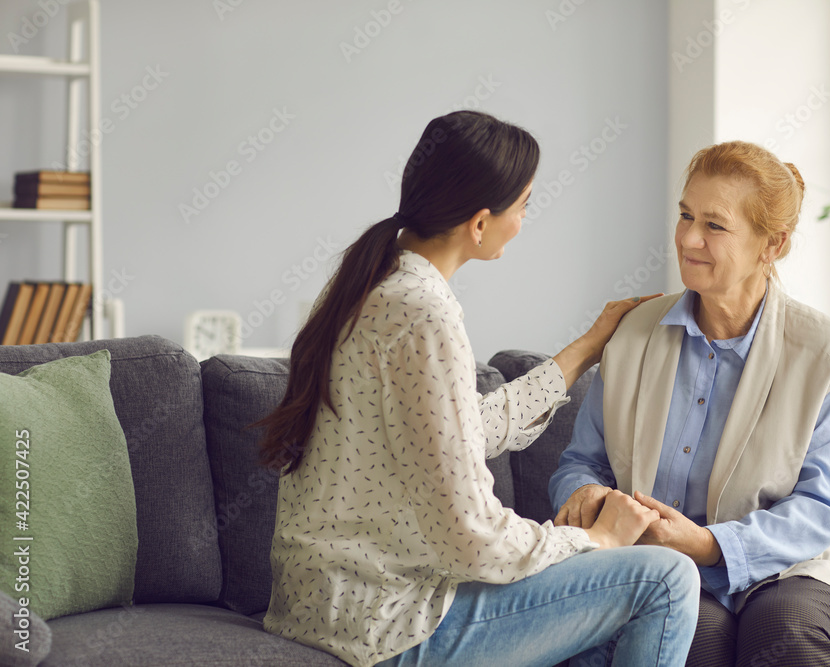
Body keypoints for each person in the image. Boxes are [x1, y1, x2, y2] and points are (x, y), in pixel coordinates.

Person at [254, 110, 700, 667]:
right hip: (388, 624)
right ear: (480, 222)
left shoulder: (371, 284)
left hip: (323, 608)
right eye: (524, 206)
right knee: (668, 578)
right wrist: (596, 540)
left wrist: (587, 347)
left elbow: (458, 432)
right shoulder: (425, 313)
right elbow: (471, 536)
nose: (523, 221)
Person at [550, 140, 830, 667]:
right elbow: (582, 462)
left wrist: (710, 545)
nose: (688, 238)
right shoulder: (634, 332)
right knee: (692, 633)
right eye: (685, 216)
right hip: (658, 565)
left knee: (787, 631)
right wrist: (586, 494)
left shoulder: (825, 352)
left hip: (792, 567)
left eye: (714, 225)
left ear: (771, 245)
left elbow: (825, 506)